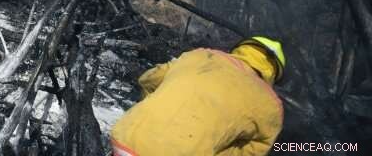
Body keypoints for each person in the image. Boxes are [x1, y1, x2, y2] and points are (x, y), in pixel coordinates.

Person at [110, 36, 286, 156]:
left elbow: (149, 79)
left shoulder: (200, 55)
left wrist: (152, 109)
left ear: (241, 49)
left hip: (126, 138)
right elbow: (253, 151)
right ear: (274, 73)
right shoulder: (271, 105)